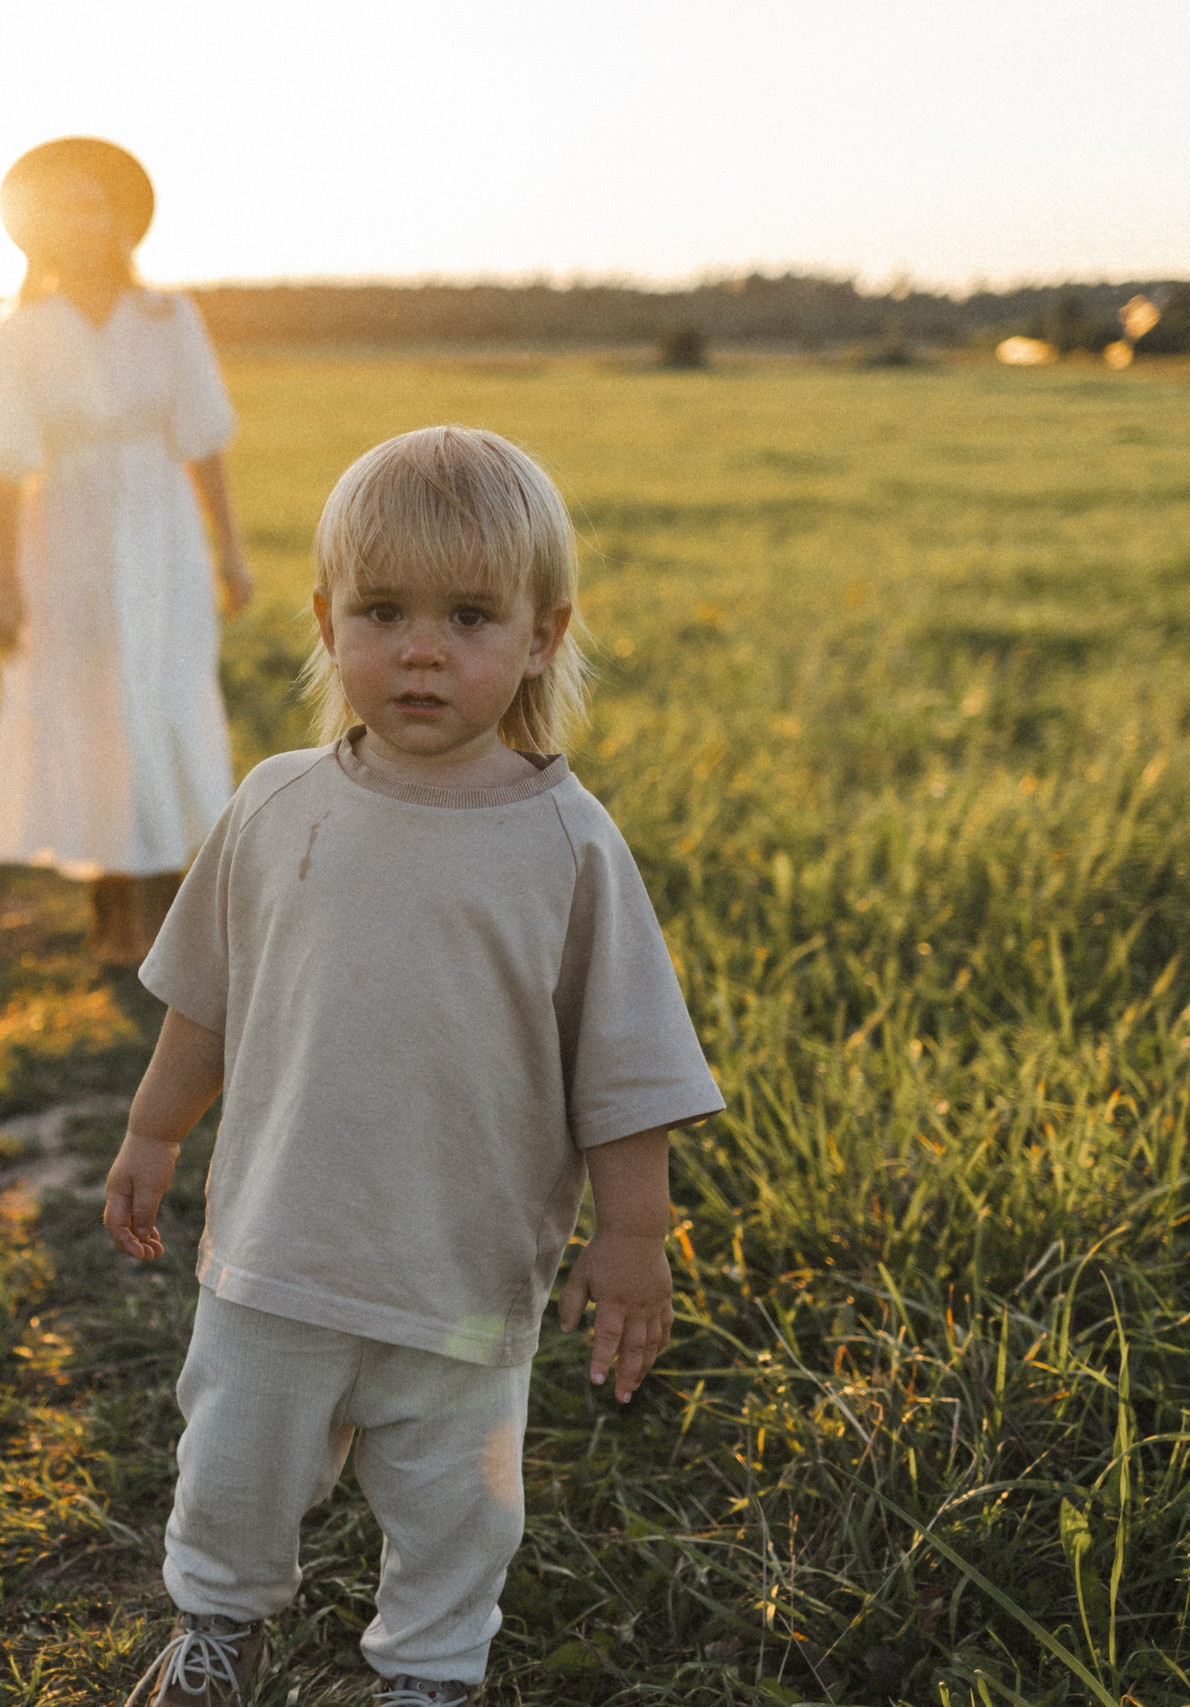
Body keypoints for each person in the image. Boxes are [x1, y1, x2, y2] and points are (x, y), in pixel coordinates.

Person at [99, 427, 725, 1707]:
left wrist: (634, 1240)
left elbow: (625, 1071)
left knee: (458, 1505)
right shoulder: (277, 807)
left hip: (460, 1273)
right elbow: (205, 1003)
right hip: (279, 1250)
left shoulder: (564, 843)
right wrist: (153, 1136)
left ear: (544, 634)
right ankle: (217, 1630)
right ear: (328, 623)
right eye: (384, 612)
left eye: (469, 616)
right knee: (233, 1463)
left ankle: (430, 1675)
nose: (422, 648)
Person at [0, 137, 253, 966]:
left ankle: (167, 915)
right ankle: (111, 911)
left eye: (94, 205)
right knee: (93, 710)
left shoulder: (170, 318)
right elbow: (2, 467)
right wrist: (6, 583)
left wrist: (231, 552)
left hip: (160, 531)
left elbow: (205, 444)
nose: (80, 223)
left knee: (161, 699)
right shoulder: (20, 331)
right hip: (70, 535)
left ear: (121, 220)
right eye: (62, 209)